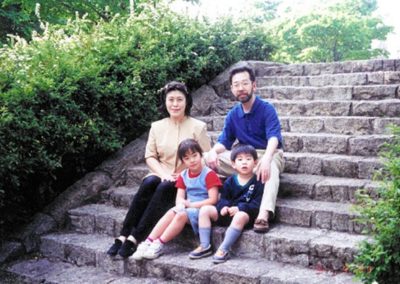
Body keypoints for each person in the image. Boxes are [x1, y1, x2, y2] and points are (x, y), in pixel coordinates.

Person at [107, 81, 211, 258]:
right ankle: (123, 234)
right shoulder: (157, 126)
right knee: (150, 182)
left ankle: (135, 238)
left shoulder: (197, 126)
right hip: (161, 172)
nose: (175, 104)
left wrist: (184, 172)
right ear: (165, 102)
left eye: (179, 99)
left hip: (184, 177)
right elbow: (150, 156)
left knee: (164, 187)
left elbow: (206, 155)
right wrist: (163, 174)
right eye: (171, 99)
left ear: (187, 102)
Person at [205, 65, 285, 233]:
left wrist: (266, 159)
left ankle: (263, 214)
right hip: (244, 157)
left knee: (268, 168)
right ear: (232, 88)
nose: (241, 88)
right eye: (236, 85)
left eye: (245, 83)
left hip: (269, 152)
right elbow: (224, 142)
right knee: (205, 159)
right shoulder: (233, 114)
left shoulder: (266, 108)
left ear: (253, 85)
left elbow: (274, 138)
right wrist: (212, 152)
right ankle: (207, 204)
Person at [131, 138, 222, 260]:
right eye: (187, 158)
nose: (192, 160)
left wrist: (189, 205)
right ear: (183, 161)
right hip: (189, 209)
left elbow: (213, 200)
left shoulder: (209, 174)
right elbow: (179, 198)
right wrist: (182, 204)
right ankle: (148, 241)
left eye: (194, 156)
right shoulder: (183, 175)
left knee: (181, 215)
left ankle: (159, 243)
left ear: (201, 155)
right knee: (172, 211)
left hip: (205, 210)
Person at [189, 144, 263, 263]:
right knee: (205, 209)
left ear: (255, 162)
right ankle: (204, 245)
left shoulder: (258, 182)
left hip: (245, 216)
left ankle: (223, 249)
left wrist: (240, 208)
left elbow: (257, 204)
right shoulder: (229, 181)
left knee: (240, 215)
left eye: (248, 159)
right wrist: (224, 206)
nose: (244, 163)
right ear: (233, 164)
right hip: (226, 213)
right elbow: (223, 198)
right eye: (240, 160)